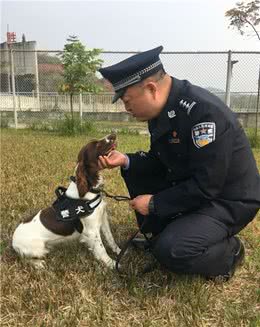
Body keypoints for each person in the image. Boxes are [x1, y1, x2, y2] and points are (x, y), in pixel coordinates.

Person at [98, 46, 260, 280]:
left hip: (227, 199)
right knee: (135, 170)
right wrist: (126, 160)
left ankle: (230, 251)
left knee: (172, 250)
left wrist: (155, 203)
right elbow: (161, 161)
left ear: (151, 89)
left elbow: (207, 185)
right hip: (198, 187)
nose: (126, 107)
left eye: (127, 100)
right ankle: (163, 232)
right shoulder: (162, 111)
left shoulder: (204, 114)